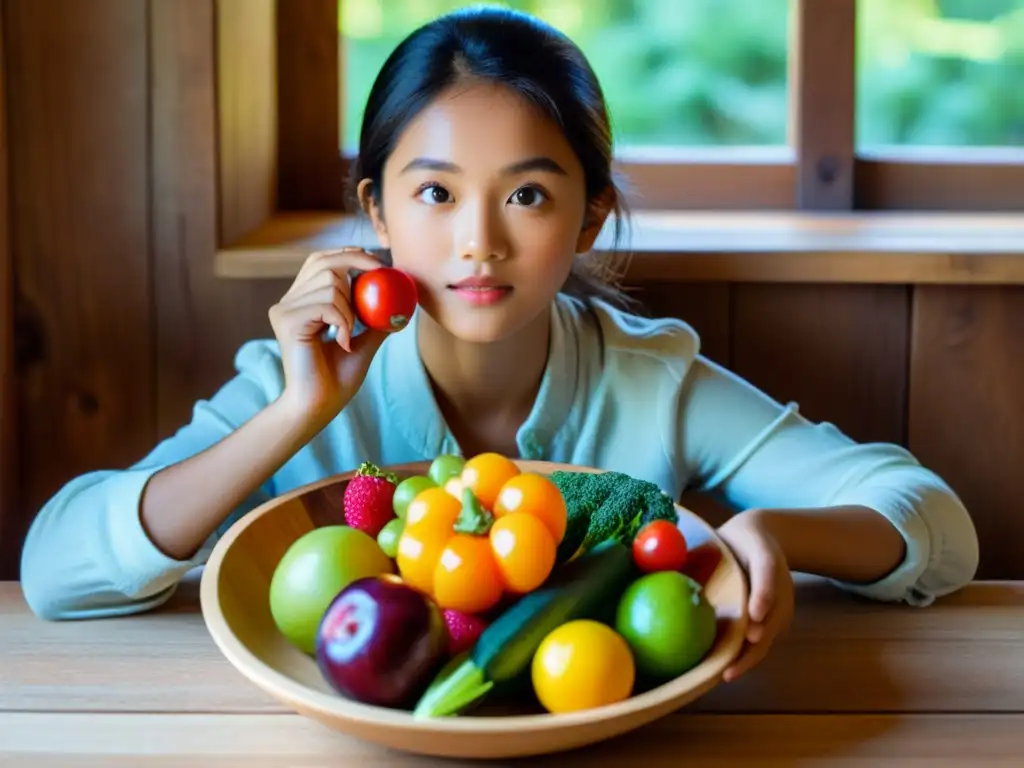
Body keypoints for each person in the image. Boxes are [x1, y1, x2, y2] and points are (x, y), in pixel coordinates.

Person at [19, 5, 978, 684]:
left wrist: (775, 532)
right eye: (434, 193)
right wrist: (294, 416)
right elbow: (57, 569)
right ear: (377, 214)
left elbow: (934, 523)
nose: (479, 239)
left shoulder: (652, 382)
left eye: (527, 194)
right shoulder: (295, 382)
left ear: (590, 216)